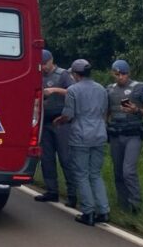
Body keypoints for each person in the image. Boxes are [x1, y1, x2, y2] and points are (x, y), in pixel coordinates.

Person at [54, 59, 110, 226]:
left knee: (81, 174)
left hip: (81, 135)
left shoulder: (73, 90)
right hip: (99, 133)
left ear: (76, 75)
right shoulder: (102, 89)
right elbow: (104, 112)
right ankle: (104, 210)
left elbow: (69, 114)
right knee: (95, 174)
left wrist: (59, 120)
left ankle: (88, 212)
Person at [107, 59, 143, 214]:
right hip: (116, 134)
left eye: (123, 74)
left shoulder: (140, 88)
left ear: (128, 73)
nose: (120, 77)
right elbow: (107, 112)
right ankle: (123, 207)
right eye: (117, 74)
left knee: (128, 171)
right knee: (117, 172)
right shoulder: (109, 90)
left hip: (133, 135)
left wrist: (137, 110)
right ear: (113, 74)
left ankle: (135, 204)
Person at [35, 50, 78, 207]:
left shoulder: (63, 75)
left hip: (61, 121)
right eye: (41, 64)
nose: (43, 67)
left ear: (51, 61)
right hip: (44, 121)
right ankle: (51, 191)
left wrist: (55, 90)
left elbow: (74, 92)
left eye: (45, 64)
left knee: (66, 158)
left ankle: (72, 194)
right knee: (46, 158)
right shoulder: (38, 74)